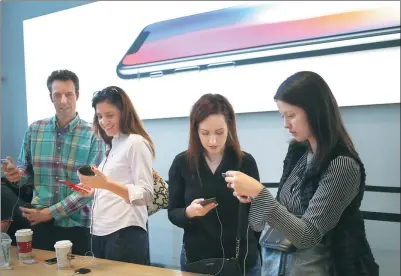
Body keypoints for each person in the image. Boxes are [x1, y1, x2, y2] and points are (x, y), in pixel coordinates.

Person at [224, 71, 379, 276]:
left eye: (291, 115)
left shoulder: (342, 165)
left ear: (315, 111)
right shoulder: (298, 153)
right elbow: (277, 218)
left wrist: (261, 195)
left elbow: (308, 236)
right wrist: (255, 199)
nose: (286, 124)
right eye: (283, 116)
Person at [1, 69, 105, 255]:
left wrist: (51, 212)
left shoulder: (93, 135)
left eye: (68, 94)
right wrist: (16, 175)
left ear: (77, 95)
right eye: (57, 95)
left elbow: (90, 189)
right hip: (40, 223)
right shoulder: (34, 130)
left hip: (78, 225)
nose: (63, 100)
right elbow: (25, 173)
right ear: (51, 98)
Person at [168, 93, 262, 276]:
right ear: (195, 130)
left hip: (241, 259)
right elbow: (173, 212)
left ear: (230, 128)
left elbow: (259, 215)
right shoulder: (182, 163)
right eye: (205, 133)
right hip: (197, 259)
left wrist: (251, 199)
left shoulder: (245, 162)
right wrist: (189, 212)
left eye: (220, 133)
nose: (213, 141)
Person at [75, 86, 154, 265]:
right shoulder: (112, 145)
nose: (103, 121)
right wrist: (93, 191)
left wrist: (105, 184)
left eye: (109, 115)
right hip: (101, 231)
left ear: (123, 113)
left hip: (124, 233)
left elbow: (147, 194)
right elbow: (111, 188)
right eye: (100, 116)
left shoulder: (136, 142)